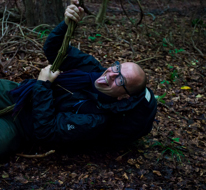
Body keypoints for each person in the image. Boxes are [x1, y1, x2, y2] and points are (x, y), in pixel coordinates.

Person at [0, 0, 157, 158]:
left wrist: (43, 85)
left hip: (20, 126)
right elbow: (54, 50)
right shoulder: (91, 69)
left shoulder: (95, 119)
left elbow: (46, 131)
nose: (111, 74)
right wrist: (67, 24)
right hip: (17, 94)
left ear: (123, 96)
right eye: (116, 68)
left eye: (120, 80)